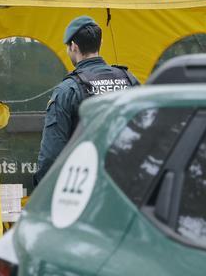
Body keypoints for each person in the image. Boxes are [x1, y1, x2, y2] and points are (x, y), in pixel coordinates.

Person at [33, 16, 139, 186]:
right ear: (100, 43)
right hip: (129, 187)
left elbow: (52, 154)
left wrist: (43, 190)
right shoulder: (130, 80)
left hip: (87, 190)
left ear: (73, 46)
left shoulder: (67, 90)